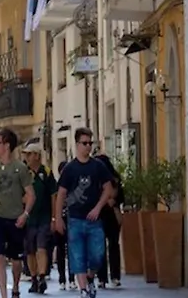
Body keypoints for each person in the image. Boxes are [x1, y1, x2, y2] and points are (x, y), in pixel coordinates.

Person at [54, 128, 113, 298]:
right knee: (77, 255)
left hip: (94, 219)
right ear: (77, 144)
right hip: (75, 219)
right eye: (84, 143)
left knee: (98, 254)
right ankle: (83, 289)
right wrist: (58, 218)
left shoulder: (98, 166)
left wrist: (98, 207)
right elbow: (61, 194)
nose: (88, 146)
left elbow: (108, 188)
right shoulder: (70, 169)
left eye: (90, 143)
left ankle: (90, 276)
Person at [0, 128, 35, 298]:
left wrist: (25, 214)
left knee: (16, 260)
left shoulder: (20, 168)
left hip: (15, 219)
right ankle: (3, 294)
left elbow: (31, 195)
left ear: (7, 145)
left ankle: (15, 286)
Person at [21, 140, 57, 294]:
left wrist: (54, 218)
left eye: (29, 154)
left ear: (37, 155)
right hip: (29, 218)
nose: (27, 157)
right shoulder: (24, 173)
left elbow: (53, 195)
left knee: (41, 247)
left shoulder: (46, 173)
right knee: (30, 250)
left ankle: (42, 276)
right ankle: (34, 278)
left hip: (44, 217)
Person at [93, 153, 123, 289]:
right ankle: (111, 277)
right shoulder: (113, 180)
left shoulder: (109, 180)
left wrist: (112, 201)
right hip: (105, 214)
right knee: (111, 246)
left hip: (105, 215)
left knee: (106, 246)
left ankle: (104, 278)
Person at [51, 161, 70, 291]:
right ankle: (62, 278)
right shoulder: (57, 187)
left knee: (72, 250)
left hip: (71, 220)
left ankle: (72, 278)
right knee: (61, 249)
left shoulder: (74, 186)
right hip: (60, 220)